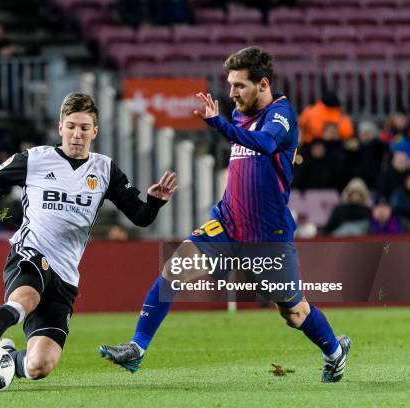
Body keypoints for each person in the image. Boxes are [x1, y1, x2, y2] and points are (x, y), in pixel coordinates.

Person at [99, 47, 351, 383]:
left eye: (239, 86)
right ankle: (137, 348)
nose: (232, 93)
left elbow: (264, 143)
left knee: (293, 312)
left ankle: (335, 353)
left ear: (263, 84)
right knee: (174, 270)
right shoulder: (236, 114)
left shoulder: (282, 115)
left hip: (267, 236)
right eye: (230, 85)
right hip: (228, 224)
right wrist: (224, 123)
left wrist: (217, 124)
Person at [0, 92, 178, 381]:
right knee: (24, 300)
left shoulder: (104, 169)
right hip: (30, 253)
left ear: (94, 132)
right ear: (61, 127)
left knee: (40, 366)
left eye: (84, 128)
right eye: (72, 126)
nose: (77, 134)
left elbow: (140, 218)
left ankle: (6, 355)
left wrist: (155, 202)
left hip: (65, 276)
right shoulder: (36, 159)